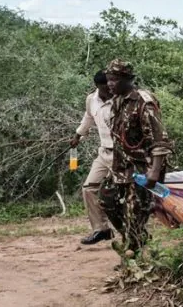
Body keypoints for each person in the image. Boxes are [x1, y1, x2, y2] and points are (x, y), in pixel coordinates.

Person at [101, 59, 172, 256]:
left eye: (114, 80)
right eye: (108, 80)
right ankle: (135, 236)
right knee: (106, 198)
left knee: (134, 211)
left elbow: (160, 140)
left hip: (143, 167)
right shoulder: (117, 101)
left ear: (127, 79)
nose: (110, 84)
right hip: (122, 165)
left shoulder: (144, 101)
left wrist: (155, 171)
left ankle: (133, 254)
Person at [70, 70, 114, 245]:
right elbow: (88, 118)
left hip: (123, 154)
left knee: (124, 192)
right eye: (105, 88)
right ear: (98, 86)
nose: (109, 90)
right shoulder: (91, 100)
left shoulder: (121, 99)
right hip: (104, 153)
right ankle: (101, 229)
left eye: (110, 86)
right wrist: (78, 135)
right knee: (89, 188)